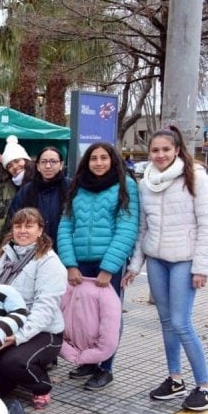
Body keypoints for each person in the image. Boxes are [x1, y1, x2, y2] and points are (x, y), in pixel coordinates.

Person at [123, 125, 208, 411]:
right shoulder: (145, 182)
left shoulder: (195, 178)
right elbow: (143, 228)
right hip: (157, 261)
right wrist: (135, 265)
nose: (160, 155)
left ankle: (206, 386)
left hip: (185, 260)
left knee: (181, 322)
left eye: (166, 149)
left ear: (177, 150)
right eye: (155, 150)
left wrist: (201, 267)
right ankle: (175, 379)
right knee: (165, 322)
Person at [57, 142, 139, 391]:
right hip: (81, 262)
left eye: (104, 158)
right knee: (83, 316)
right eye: (94, 158)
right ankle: (89, 360)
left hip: (108, 264)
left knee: (108, 317)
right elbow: (65, 226)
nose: (99, 163)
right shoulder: (78, 187)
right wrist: (70, 264)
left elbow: (127, 228)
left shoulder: (126, 186)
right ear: (87, 162)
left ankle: (106, 367)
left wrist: (109, 267)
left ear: (113, 160)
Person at [0, 208, 67, 409]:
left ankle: (41, 386)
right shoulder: (3, 256)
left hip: (43, 332)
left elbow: (44, 309)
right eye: (18, 226)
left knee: (14, 363)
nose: (22, 231)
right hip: (8, 326)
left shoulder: (49, 262)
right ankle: (15, 372)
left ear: (40, 230)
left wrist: (17, 338)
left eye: (29, 226)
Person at [9, 146, 70, 249]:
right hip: (33, 250)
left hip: (65, 249)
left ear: (61, 165)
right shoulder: (26, 191)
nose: (48, 166)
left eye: (53, 162)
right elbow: (15, 218)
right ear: (37, 166)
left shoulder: (71, 188)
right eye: (44, 162)